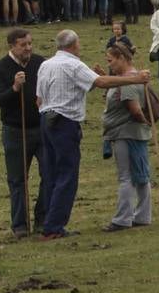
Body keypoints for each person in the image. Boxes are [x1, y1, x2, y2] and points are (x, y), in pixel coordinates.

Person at [35, 30, 151, 240]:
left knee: (51, 172)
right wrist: (135, 78)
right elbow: (101, 83)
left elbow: (39, 99)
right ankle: (54, 226)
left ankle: (48, 221)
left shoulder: (45, 65)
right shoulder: (73, 64)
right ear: (73, 45)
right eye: (79, 43)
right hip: (65, 122)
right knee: (67, 174)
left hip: (46, 120)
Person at [0, 28, 46, 238]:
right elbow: (0, 99)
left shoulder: (40, 63)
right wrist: (14, 87)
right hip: (15, 131)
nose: (28, 48)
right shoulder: (1, 67)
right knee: (18, 179)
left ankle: (43, 219)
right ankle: (20, 225)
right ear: (12, 46)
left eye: (30, 44)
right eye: (23, 45)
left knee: (49, 173)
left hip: (40, 128)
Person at [101, 43, 154, 232]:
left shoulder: (129, 82)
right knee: (139, 175)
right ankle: (142, 215)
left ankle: (123, 218)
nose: (110, 65)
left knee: (127, 177)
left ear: (122, 58)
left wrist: (145, 122)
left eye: (111, 61)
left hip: (126, 134)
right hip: (132, 133)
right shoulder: (131, 78)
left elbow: (135, 109)